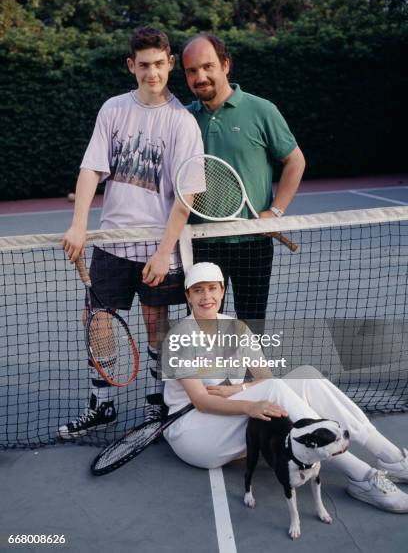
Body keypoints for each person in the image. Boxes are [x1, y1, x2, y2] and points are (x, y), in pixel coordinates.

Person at [163, 262, 408, 513]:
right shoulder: (178, 338)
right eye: (198, 290)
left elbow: (264, 377)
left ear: (223, 291)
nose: (207, 297)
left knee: (306, 376)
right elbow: (202, 402)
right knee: (275, 389)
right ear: (188, 296)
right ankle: (362, 478)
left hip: (232, 415)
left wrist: (240, 389)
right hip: (194, 432)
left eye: (212, 288)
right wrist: (250, 404)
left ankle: (392, 457)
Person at [58, 26, 204, 438]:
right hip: (112, 244)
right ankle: (101, 404)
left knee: (156, 324)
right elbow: (91, 169)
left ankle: (158, 404)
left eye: (159, 64)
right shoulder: (113, 110)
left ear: (170, 63)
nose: (152, 73)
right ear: (131, 66)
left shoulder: (183, 123)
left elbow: (185, 197)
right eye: (144, 65)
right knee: (97, 319)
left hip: (159, 249)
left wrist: (163, 252)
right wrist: (79, 224)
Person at [180, 34, 306, 324]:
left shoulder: (262, 110)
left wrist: (275, 212)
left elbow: (295, 161)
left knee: (251, 323)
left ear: (225, 65)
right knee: (205, 325)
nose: (200, 76)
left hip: (252, 241)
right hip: (201, 242)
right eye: (191, 70)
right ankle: (214, 372)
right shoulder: (182, 119)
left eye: (208, 66)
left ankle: (253, 372)